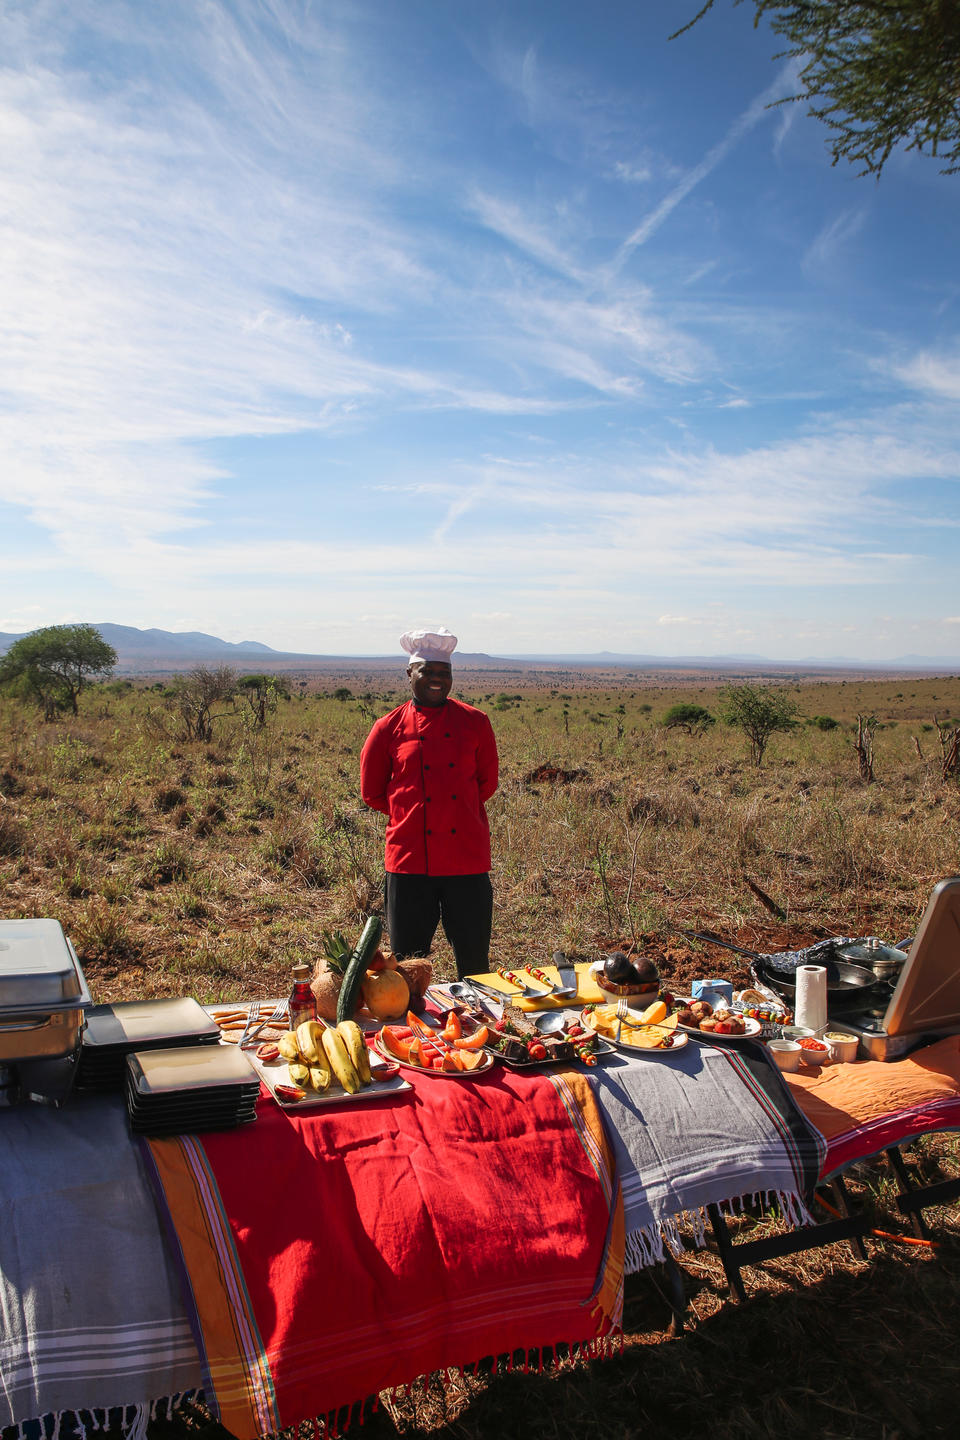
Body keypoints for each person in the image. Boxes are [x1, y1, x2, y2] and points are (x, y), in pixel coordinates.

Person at [360, 626, 499, 979]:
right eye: (427, 670)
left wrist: (451, 810)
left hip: (466, 860)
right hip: (409, 862)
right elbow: (372, 792)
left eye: (444, 671)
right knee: (406, 968)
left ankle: (476, 1013)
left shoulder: (476, 722)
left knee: (475, 965)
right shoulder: (386, 727)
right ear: (409, 673)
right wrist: (412, 811)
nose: (437, 678)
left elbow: (487, 784)